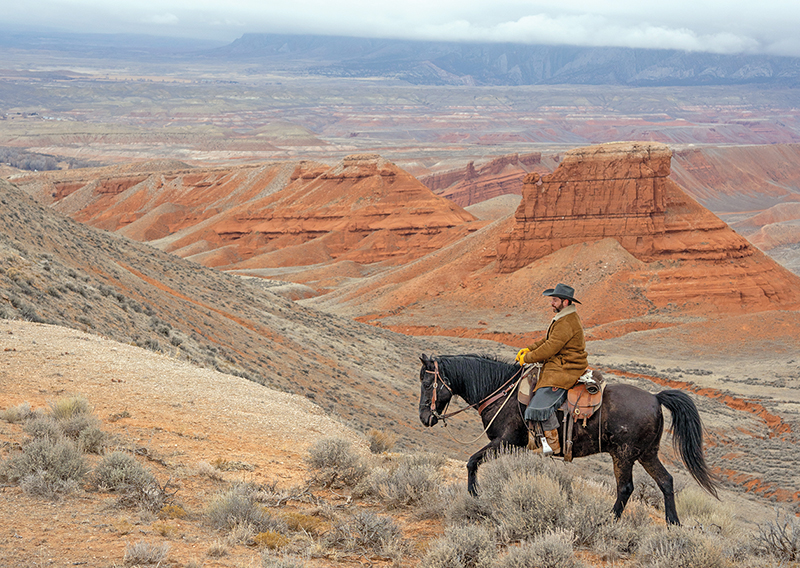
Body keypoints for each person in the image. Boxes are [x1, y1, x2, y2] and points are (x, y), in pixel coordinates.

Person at [515, 283, 588, 456]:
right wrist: (529, 349)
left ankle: (553, 446)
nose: (552, 303)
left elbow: (550, 348)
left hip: (566, 368)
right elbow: (548, 340)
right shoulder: (564, 317)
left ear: (565, 301)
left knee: (540, 404)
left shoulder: (567, 321)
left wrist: (528, 358)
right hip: (560, 363)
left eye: (555, 300)